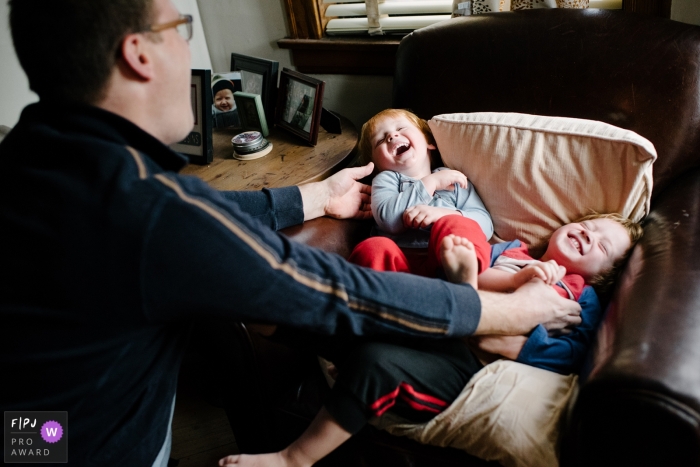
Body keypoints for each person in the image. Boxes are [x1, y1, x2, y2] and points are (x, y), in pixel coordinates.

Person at [1, 0, 581, 465]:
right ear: (139, 54)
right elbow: (334, 290)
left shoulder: (33, 156)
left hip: (26, 431)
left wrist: (314, 196)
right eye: (178, 27)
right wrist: (513, 312)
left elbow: (207, 217)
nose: (187, 47)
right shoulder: (146, 208)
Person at [220, 213, 642, 467]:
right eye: (588, 225)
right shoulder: (512, 251)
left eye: (602, 245)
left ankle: (295, 459)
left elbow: (517, 350)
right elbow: (469, 259)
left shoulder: (581, 302)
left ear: (602, 276)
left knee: (376, 361)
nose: (589, 235)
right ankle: (271, 317)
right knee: (458, 229)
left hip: (461, 361)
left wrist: (519, 304)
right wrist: (513, 278)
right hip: (440, 308)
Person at [348, 108, 494, 279]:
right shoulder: (385, 180)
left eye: (401, 129)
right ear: (375, 165)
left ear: (429, 142)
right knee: (372, 248)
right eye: (380, 140)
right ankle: (387, 297)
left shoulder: (452, 177)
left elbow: (485, 225)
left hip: (448, 259)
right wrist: (429, 183)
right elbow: (389, 220)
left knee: (458, 224)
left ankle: (468, 277)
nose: (392, 136)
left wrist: (444, 215)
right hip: (398, 265)